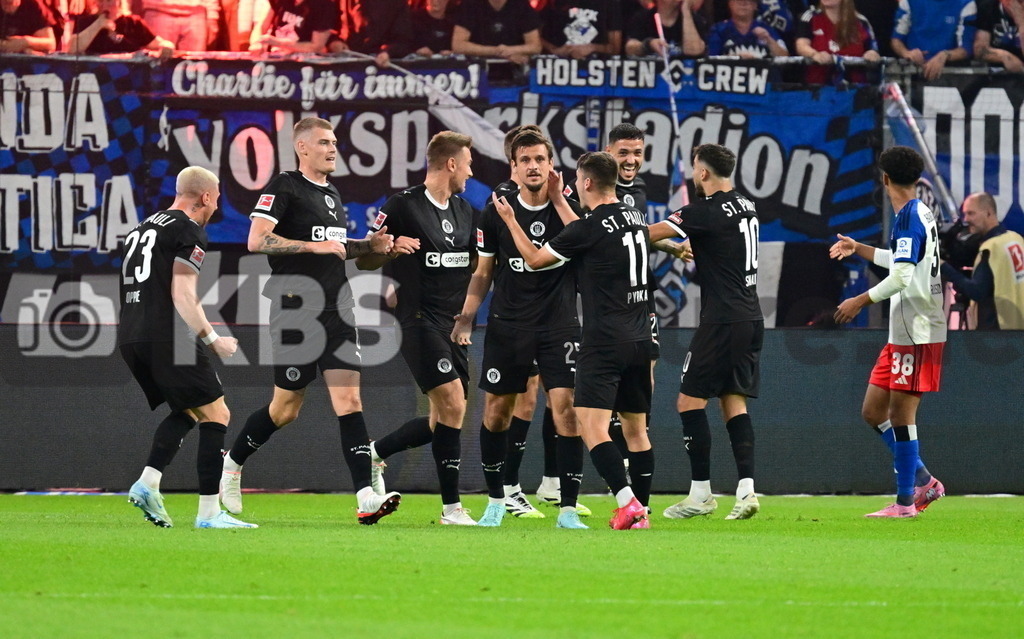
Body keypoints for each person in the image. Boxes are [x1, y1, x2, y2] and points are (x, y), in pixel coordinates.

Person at [219, 117, 408, 526]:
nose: (333, 148)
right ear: (302, 148)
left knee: (350, 401)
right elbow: (256, 240)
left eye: (335, 142)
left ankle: (363, 498)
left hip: (338, 309)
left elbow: (335, 251)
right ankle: (232, 464)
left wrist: (371, 247)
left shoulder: (334, 194)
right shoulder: (285, 186)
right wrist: (311, 244)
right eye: (324, 142)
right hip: (294, 311)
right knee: (285, 409)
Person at [493, 151, 656, 530]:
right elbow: (585, 232)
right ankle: (640, 512)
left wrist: (511, 221)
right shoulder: (632, 216)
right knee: (636, 430)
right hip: (640, 337)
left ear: (586, 182)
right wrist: (558, 200)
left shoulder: (589, 226)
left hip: (605, 340)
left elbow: (535, 258)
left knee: (590, 425)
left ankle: (627, 503)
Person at [452, 130, 588, 528]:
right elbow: (483, 271)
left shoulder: (568, 209)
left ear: (550, 165)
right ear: (513, 167)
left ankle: (566, 510)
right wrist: (466, 317)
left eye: (539, 160)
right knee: (497, 412)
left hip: (559, 325)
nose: (532, 166)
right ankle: (496, 500)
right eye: (524, 160)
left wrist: (563, 200)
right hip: (509, 325)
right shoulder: (495, 210)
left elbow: (586, 247)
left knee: (566, 411)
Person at [119, 166, 256, 530]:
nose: (216, 208)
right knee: (218, 415)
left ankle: (148, 483)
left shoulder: (142, 226)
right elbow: (182, 292)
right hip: (167, 336)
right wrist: (214, 340)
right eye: (217, 200)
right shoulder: (188, 230)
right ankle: (209, 514)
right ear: (206, 197)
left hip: (131, 335)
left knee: (190, 410)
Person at [356, 131, 480, 526]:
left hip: (452, 326)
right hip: (418, 320)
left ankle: (375, 453)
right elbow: (365, 262)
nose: (471, 171)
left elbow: (474, 266)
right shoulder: (402, 205)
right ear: (451, 164)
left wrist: (465, 318)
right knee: (454, 403)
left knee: (442, 418)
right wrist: (387, 248)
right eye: (468, 163)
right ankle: (451, 509)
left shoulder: (465, 211)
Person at [829, 145, 947, 518]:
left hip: (917, 329)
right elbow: (900, 260)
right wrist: (859, 248)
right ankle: (925, 480)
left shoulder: (911, 217)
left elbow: (901, 276)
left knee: (901, 416)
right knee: (872, 411)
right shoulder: (916, 212)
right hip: (903, 330)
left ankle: (905, 502)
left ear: (884, 179)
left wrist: (859, 300)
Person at [649, 144, 763, 522]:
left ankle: (700, 494)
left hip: (722, 320)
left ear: (702, 173)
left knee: (688, 403)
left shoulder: (702, 212)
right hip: (750, 316)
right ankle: (746, 490)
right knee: (734, 401)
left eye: (695, 169)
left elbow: (648, 234)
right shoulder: (747, 205)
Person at [941, 192, 1024, 330]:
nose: (966, 219)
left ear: (989, 213)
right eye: (964, 214)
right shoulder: (1015, 239)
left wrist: (943, 266)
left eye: (971, 213)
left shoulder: (991, 248)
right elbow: (999, 279)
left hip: (998, 334)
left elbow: (977, 291)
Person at [795, 0, 880, 83]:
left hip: (856, 88)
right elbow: (801, 45)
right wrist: (814, 54)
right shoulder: (811, 17)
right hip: (816, 88)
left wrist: (871, 54)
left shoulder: (861, 21)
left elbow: (872, 48)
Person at [891, 0, 978, 80]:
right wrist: (906, 53)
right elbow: (896, 39)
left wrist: (944, 56)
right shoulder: (909, 2)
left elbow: (966, 49)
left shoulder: (966, 4)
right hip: (912, 73)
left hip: (950, 75)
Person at [68, 0, 173, 56]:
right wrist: (97, 25)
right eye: (101, 0)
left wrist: (167, 46)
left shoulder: (134, 23)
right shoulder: (85, 21)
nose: (104, 4)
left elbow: (159, 43)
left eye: (109, 0)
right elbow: (72, 49)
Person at [452, 0, 543, 64]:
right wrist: (497, 51)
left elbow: (535, 46)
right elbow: (458, 45)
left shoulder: (521, 5)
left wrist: (510, 50)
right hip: (476, 69)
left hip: (515, 69)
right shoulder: (470, 4)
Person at [329, 0, 415, 67]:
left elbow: (403, 39)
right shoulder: (342, 2)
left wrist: (388, 52)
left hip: (381, 66)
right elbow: (329, 27)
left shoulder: (396, 3)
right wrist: (334, 41)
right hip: (345, 63)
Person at [539, 0, 623, 58]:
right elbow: (535, 36)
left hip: (597, 66)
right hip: (557, 65)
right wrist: (555, 50)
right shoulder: (554, 3)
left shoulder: (609, 4)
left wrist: (592, 48)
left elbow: (615, 48)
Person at [624, 0, 708, 57]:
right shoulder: (642, 18)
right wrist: (648, 45)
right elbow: (630, 48)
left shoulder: (693, 19)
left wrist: (686, 10)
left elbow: (694, 51)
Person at [707, 0, 788, 58]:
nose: (743, 4)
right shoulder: (719, 29)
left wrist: (769, 40)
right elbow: (711, 59)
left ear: (755, 6)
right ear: (730, 3)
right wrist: (737, 58)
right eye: (739, 1)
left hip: (764, 79)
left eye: (749, 1)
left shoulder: (767, 29)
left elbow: (785, 57)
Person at [249, 0, 337, 54]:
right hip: (274, 59)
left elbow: (317, 46)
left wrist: (278, 43)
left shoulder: (324, 6)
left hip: (303, 64)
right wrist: (257, 43)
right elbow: (260, 27)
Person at [138, 0, 219, 52]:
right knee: (155, 68)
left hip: (195, 13)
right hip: (157, 11)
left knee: (194, 69)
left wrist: (212, 17)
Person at [974, 0, 1024, 72]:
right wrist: (1004, 56)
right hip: (997, 74)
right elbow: (980, 50)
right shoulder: (989, 8)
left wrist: (1021, 23)